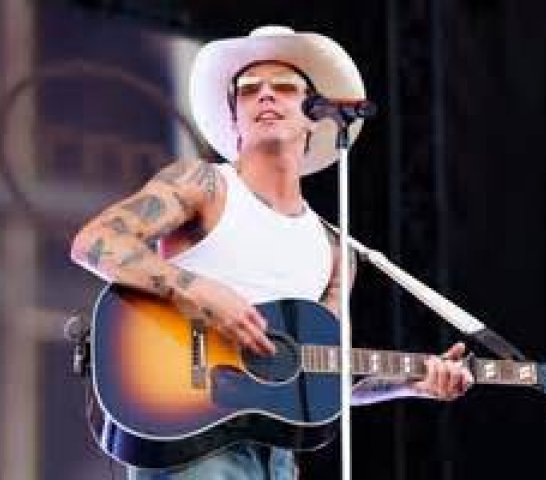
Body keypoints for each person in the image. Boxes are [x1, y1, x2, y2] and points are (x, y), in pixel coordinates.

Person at [71, 25, 473, 480]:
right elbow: (95, 241)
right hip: (188, 442)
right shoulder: (206, 185)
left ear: (313, 116)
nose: (265, 95)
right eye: (248, 90)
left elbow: (322, 373)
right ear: (234, 120)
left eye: (284, 87)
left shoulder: (335, 250)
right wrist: (198, 290)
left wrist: (409, 383)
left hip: (278, 456)